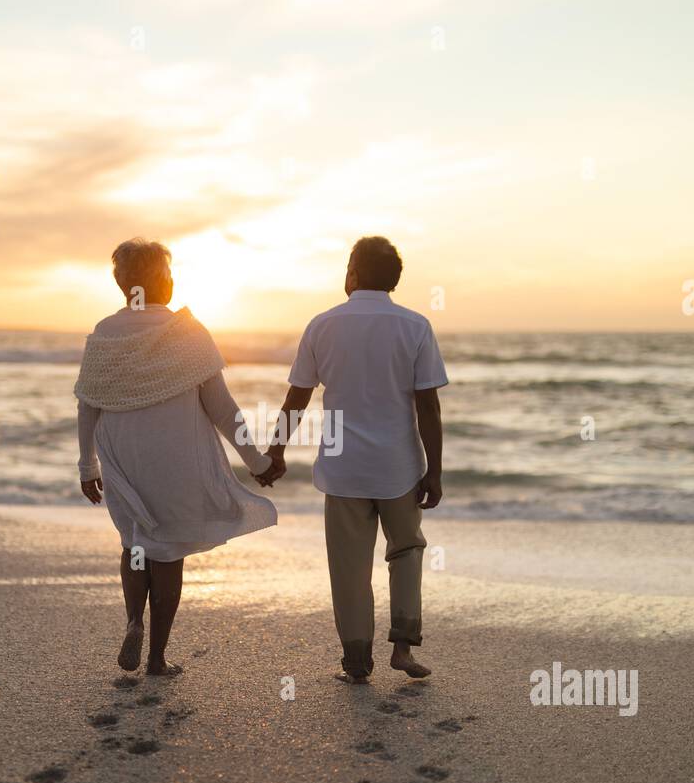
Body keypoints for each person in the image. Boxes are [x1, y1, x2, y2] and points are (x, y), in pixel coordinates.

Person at [76, 238, 279, 676]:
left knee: (134, 544)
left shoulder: (107, 331)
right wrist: (257, 462)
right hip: (176, 460)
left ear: (121, 283)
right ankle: (157, 658)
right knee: (168, 556)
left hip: (123, 458)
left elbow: (88, 404)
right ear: (163, 280)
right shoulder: (188, 331)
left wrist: (86, 465)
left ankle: (134, 621)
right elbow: (223, 410)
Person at [266, 236, 447, 683]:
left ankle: (356, 661)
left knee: (349, 567)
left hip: (343, 466)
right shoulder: (415, 326)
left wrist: (276, 450)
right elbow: (428, 406)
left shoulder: (323, 325)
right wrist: (435, 470)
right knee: (406, 551)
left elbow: (297, 397)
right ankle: (403, 648)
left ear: (353, 273)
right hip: (399, 466)